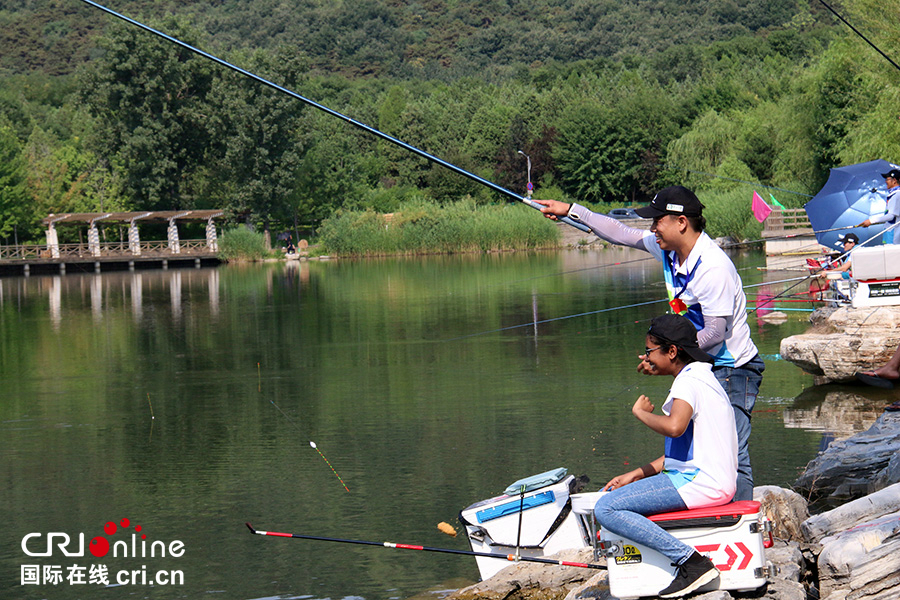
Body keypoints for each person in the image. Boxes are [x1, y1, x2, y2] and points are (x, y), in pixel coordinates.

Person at [536, 187, 763, 501]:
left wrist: (668, 356)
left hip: (732, 369)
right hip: (698, 365)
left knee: (732, 454)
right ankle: (702, 518)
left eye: (658, 220)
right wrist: (572, 210)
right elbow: (621, 233)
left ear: (682, 222)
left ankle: (742, 525)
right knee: (694, 451)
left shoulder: (714, 268)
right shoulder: (668, 252)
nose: (652, 227)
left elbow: (716, 333)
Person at [594, 314, 737, 598]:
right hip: (704, 479)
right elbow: (683, 449)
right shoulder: (699, 376)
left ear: (672, 351)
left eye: (649, 351)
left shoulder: (688, 383)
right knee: (607, 494)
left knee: (605, 509)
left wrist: (641, 414)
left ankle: (691, 562)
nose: (645, 357)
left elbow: (674, 427)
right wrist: (636, 473)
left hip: (701, 483)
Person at [857, 168, 900, 244]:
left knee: (892, 254)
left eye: (887, 179)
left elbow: (891, 216)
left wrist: (871, 221)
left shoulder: (897, 195)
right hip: (889, 230)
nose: (886, 181)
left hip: (894, 233)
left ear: (894, 180)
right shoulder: (892, 195)